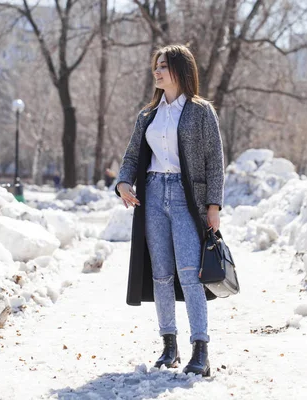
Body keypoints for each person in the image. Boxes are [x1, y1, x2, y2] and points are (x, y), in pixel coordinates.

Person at [115, 44, 224, 377]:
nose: (157, 72)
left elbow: (215, 162)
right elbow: (133, 155)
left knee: (190, 273)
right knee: (161, 274)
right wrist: (123, 183)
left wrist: (214, 206)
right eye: (155, 67)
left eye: (163, 66)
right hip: (153, 195)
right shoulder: (148, 114)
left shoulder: (200, 111)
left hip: (185, 197)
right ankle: (169, 346)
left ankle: (201, 350)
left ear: (180, 69)